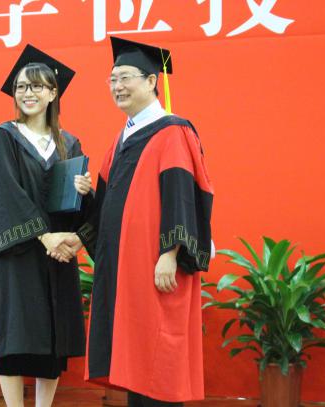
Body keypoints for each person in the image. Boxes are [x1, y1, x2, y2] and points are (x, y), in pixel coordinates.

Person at [73, 37, 215, 406]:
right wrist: (86, 195)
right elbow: (108, 206)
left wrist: (170, 252)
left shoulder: (172, 131)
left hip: (156, 265)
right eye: (112, 80)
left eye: (125, 77)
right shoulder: (123, 137)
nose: (117, 86)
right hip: (128, 268)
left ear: (152, 81)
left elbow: (181, 193)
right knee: (137, 357)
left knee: (158, 356)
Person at [0, 44, 92, 407]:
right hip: (20, 251)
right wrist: (44, 236)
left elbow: (73, 204)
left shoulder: (68, 143)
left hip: (57, 254)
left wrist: (83, 192)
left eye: (36, 86)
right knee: (16, 336)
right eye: (21, 87)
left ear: (52, 93)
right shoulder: (6, 136)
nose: (27, 93)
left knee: (51, 337)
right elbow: (6, 192)